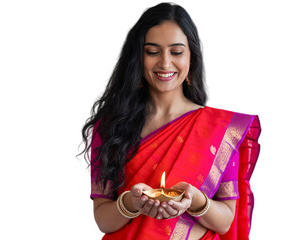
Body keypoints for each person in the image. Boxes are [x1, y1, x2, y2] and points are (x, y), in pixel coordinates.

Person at [80, 2, 261, 240]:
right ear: (137, 57)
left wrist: (195, 201)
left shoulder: (220, 128)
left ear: (191, 57)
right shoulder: (112, 126)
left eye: (176, 52)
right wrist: (132, 203)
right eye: (152, 52)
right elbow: (103, 218)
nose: (165, 63)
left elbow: (226, 220)